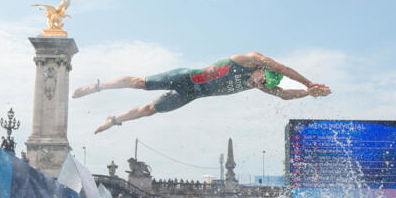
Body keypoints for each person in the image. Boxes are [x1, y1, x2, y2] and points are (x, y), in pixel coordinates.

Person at [72, 52, 332, 134]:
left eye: (263, 86)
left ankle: (113, 119)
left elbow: (284, 95)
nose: (259, 86)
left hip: (191, 94)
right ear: (261, 70)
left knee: (150, 110)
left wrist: (306, 95)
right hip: (186, 76)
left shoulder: (261, 84)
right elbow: (284, 68)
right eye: (261, 81)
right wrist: (310, 84)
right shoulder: (250, 59)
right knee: (140, 83)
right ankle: (97, 87)